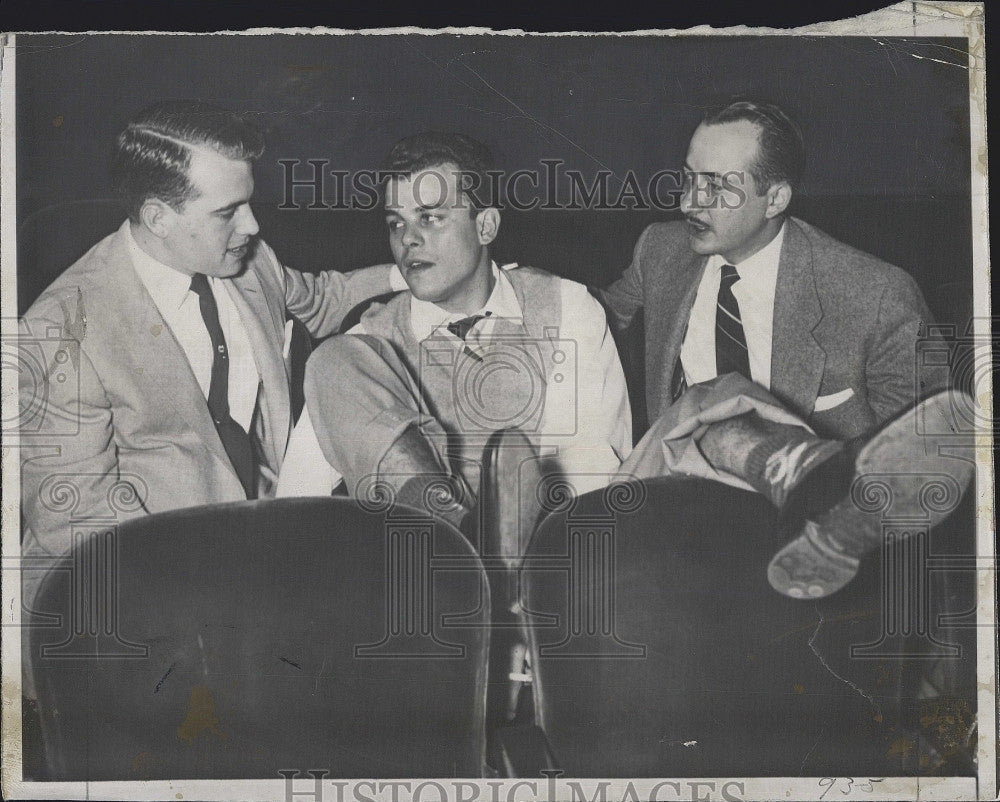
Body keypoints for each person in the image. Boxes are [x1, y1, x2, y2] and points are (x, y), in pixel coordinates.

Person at [18, 101, 404, 612]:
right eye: (227, 212)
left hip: (255, 547)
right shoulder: (57, 331)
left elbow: (323, 299)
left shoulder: (248, 261)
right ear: (158, 217)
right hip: (125, 589)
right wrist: (224, 596)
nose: (252, 226)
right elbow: (77, 524)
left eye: (248, 203)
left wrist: (421, 274)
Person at [598, 100, 967, 598]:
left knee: (716, 398)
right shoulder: (660, 252)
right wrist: (503, 287)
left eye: (717, 186)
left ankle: (808, 481)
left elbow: (929, 451)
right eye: (687, 179)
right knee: (712, 397)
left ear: (774, 199)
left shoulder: (873, 294)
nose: (689, 202)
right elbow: (586, 318)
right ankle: (800, 466)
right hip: (682, 521)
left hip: (803, 539)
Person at [276, 131, 632, 526]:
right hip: (425, 561)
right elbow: (295, 498)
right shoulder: (368, 343)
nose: (408, 238)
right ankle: (450, 527)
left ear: (485, 227)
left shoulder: (565, 305)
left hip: (552, 547)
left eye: (430, 218)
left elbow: (591, 463)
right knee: (334, 358)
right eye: (396, 223)